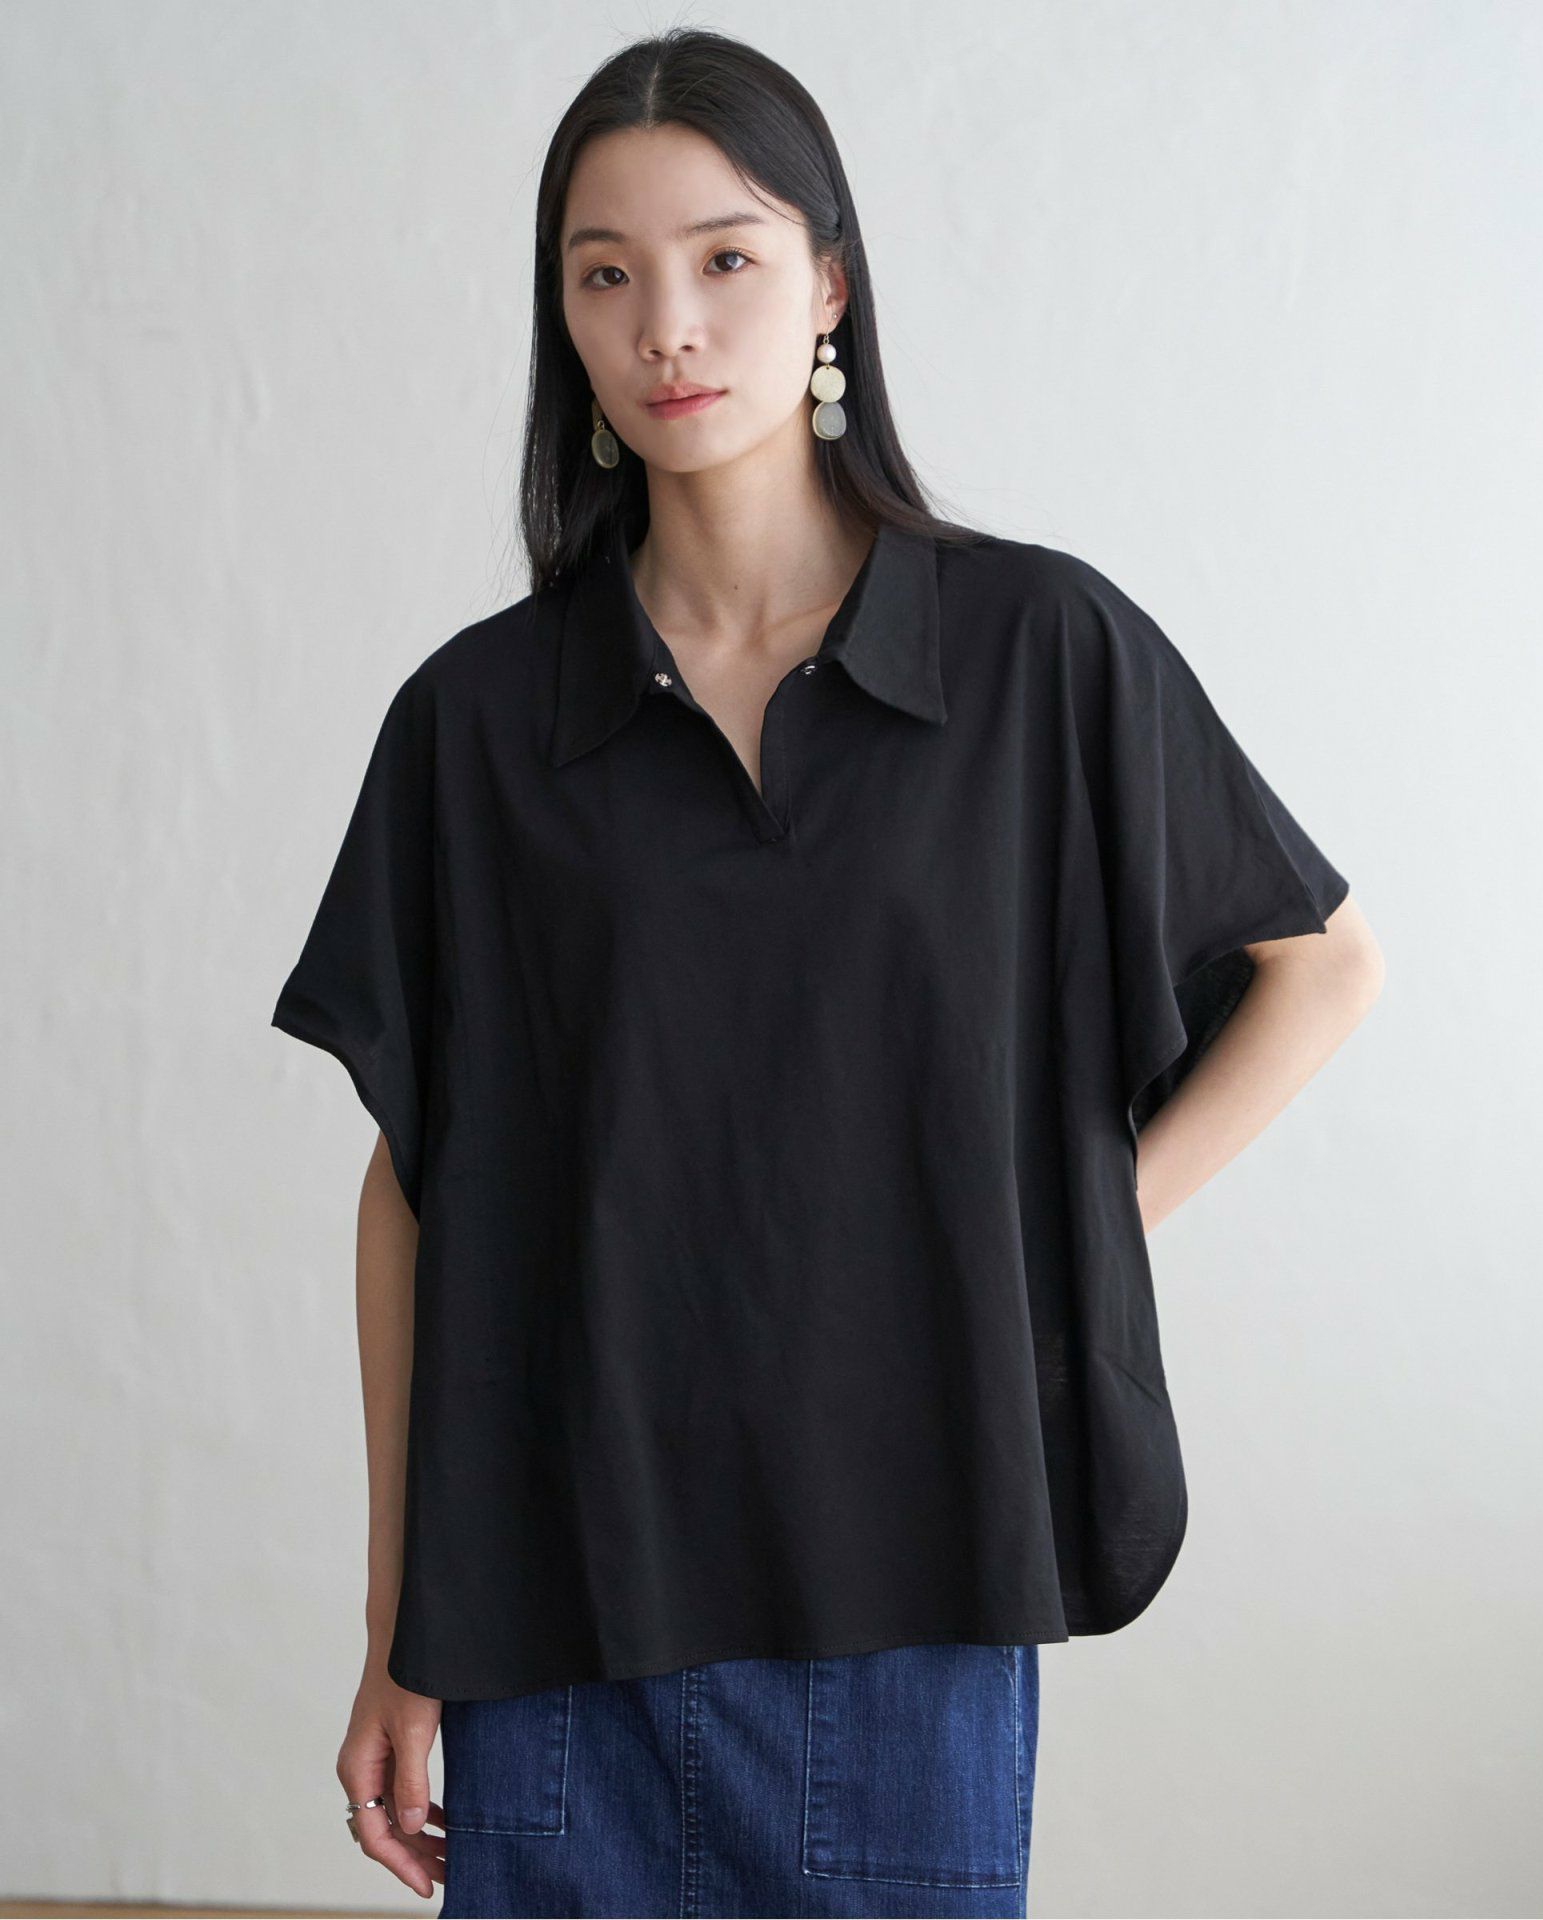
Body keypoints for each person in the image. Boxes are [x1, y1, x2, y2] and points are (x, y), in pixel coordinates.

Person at [270, 26, 1384, 1920]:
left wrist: (1060, 1230)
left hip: (911, 1596)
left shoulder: (1038, 655)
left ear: (831, 286)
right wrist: (396, 1627)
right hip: (555, 1614)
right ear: (562, 318)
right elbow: (415, 1187)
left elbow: (1321, 968)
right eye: (604, 275)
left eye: (727, 258)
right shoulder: (476, 723)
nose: (667, 327)